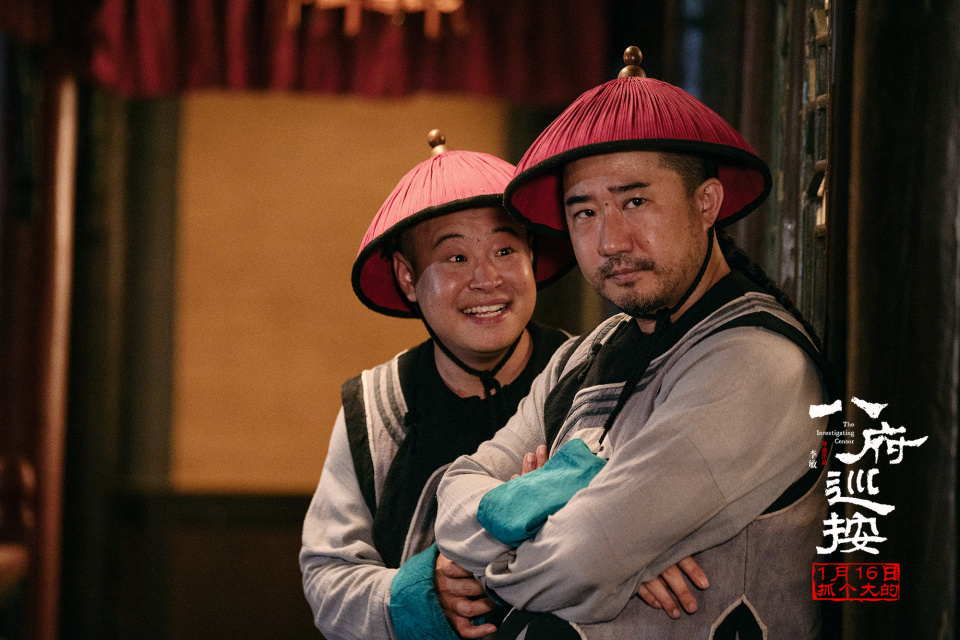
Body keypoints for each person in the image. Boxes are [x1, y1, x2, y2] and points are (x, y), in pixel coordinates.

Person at [434, 48, 838, 639]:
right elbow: (455, 492)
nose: (610, 241)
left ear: (706, 203)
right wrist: (604, 543)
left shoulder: (756, 363)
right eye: (584, 213)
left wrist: (531, 542)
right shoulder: (582, 357)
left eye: (634, 201)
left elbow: (581, 557)